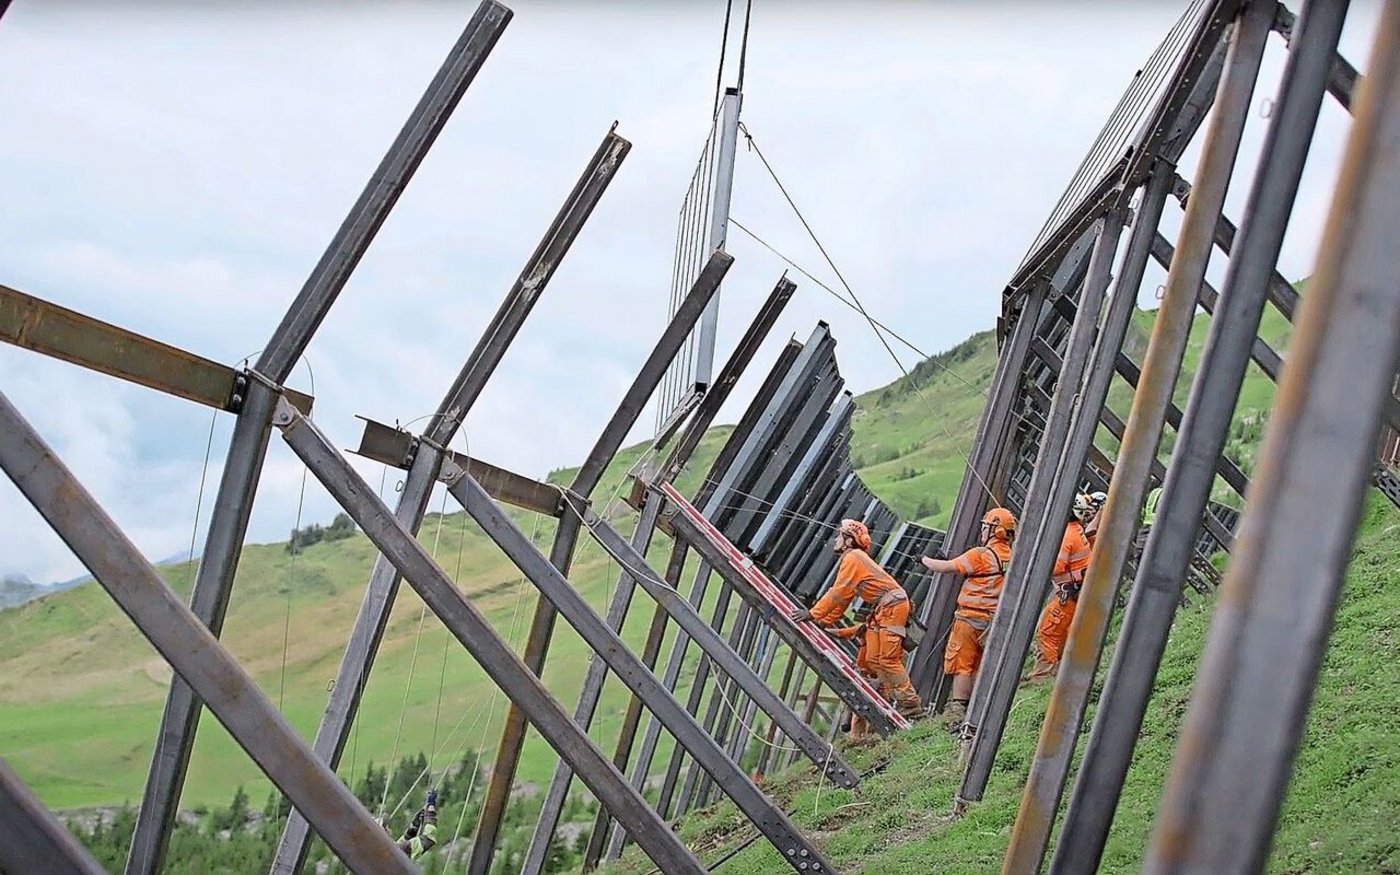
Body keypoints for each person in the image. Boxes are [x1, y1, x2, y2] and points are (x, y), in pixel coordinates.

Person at [790, 519, 924, 720]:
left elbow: (837, 593)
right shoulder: (854, 559)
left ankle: (911, 705)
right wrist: (823, 621)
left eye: (840, 535)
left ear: (849, 540)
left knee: (888, 659)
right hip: (888, 607)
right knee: (874, 659)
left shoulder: (853, 558)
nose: (836, 538)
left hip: (892, 608)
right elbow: (844, 598)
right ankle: (898, 699)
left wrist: (813, 614)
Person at [920, 507, 1017, 728]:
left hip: (969, 618)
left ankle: (958, 708)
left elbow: (946, 567)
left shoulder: (981, 554)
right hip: (991, 622)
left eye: (985, 526)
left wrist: (924, 559)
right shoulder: (1011, 556)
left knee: (961, 664)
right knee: (977, 665)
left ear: (995, 530)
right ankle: (974, 709)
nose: (982, 530)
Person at [1028, 495, 1096, 681]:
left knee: (1047, 633)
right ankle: (1060, 669)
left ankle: (1044, 674)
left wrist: (1036, 559)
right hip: (1077, 591)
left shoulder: (1066, 535)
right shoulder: (1076, 529)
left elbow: (1056, 567)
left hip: (1070, 593)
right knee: (1063, 632)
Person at [389, 789, 438, 860]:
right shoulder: (396, 851)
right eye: (387, 827)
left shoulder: (388, 851)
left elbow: (402, 843)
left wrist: (413, 828)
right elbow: (429, 839)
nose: (389, 828)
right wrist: (431, 808)